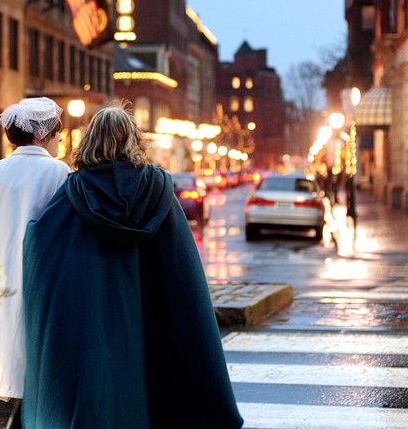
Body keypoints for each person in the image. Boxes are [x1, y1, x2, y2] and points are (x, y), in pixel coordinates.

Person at [22, 106, 244, 429]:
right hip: (152, 328)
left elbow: (40, 247)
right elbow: (184, 273)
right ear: (134, 141)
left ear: (89, 141)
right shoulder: (160, 191)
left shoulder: (73, 193)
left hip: (94, 331)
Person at [0, 97, 70, 426]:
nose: (59, 141)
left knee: (12, 379)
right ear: (44, 134)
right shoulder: (58, 170)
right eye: (58, 134)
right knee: (41, 379)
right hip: (41, 286)